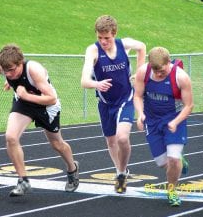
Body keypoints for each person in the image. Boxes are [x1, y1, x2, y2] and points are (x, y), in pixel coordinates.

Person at [0, 44, 79, 196]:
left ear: (21, 62)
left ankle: (72, 169)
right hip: (23, 104)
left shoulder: (33, 70)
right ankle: (23, 180)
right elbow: (7, 68)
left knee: (57, 144)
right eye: (5, 71)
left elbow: (52, 98)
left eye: (12, 70)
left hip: (46, 107)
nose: (9, 74)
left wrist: (26, 95)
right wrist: (11, 82)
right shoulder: (3, 67)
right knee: (11, 137)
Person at [81, 15, 146, 193]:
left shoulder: (123, 44)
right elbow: (84, 81)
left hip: (125, 99)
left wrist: (140, 72)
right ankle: (120, 171)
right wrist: (96, 84)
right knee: (111, 141)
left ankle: (121, 173)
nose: (103, 42)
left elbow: (141, 47)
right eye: (99, 37)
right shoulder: (93, 51)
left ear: (114, 34)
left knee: (122, 138)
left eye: (107, 38)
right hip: (105, 103)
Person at [133, 47, 193, 206]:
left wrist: (175, 121)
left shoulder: (181, 77)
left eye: (162, 70)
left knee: (173, 159)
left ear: (169, 62)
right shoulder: (142, 73)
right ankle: (180, 160)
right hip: (151, 121)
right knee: (163, 162)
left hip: (174, 119)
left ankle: (172, 191)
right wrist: (140, 114)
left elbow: (189, 105)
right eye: (155, 71)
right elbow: (137, 96)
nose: (159, 74)